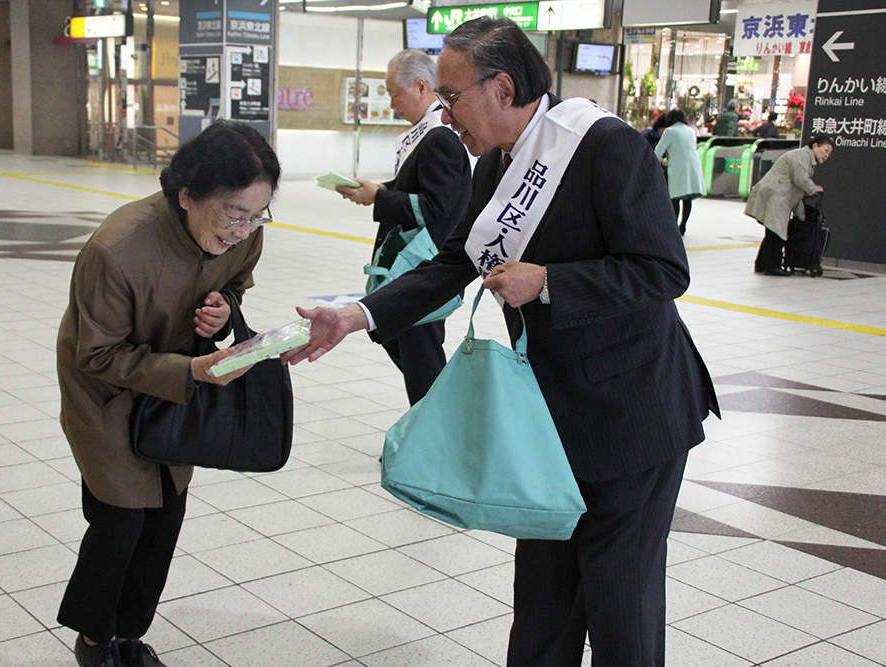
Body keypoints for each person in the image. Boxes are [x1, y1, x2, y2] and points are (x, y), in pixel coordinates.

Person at [283, 16, 718, 667]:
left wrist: (548, 282)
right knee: (542, 597)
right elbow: (450, 263)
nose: (443, 110)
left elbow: (663, 270)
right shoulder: (494, 166)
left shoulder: (604, 146)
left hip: (633, 413)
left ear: (504, 88)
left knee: (619, 600)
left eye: (451, 95)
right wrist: (357, 316)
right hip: (545, 419)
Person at [55, 121, 279, 667]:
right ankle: (93, 640)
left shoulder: (243, 235)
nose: (243, 230)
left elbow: (237, 279)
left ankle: (129, 634)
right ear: (186, 195)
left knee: (165, 518)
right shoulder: (118, 249)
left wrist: (225, 306)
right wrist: (193, 371)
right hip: (107, 397)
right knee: (120, 521)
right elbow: (97, 355)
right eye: (233, 213)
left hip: (177, 389)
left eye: (258, 215)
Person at [333, 49, 471, 405]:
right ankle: (433, 433)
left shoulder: (441, 135)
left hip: (423, 266)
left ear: (422, 87)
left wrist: (378, 199)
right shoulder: (424, 135)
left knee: (420, 356)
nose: (392, 103)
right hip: (413, 265)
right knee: (411, 351)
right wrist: (376, 192)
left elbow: (438, 208)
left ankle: (433, 442)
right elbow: (416, 190)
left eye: (395, 92)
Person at [746, 134, 833, 276]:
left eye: (829, 153)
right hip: (775, 195)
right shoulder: (802, 156)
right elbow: (800, 179)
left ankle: (762, 264)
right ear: (815, 146)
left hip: (779, 196)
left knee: (774, 230)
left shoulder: (807, 159)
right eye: (826, 150)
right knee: (776, 230)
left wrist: (801, 214)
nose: (827, 155)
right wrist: (814, 188)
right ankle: (771, 266)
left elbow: (797, 192)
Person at [654, 107, 706, 235]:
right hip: (692, 166)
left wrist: (659, 161)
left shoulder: (670, 131)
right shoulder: (691, 131)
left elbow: (657, 151)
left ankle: (673, 226)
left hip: (677, 168)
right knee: (687, 199)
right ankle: (683, 226)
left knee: (674, 199)